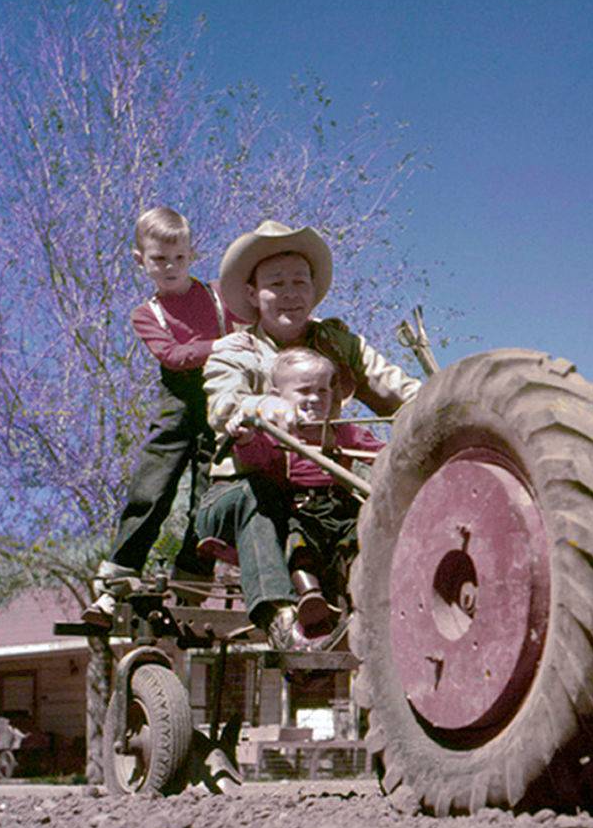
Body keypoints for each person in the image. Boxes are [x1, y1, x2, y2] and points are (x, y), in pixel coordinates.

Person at [196, 220, 421, 652]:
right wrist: (263, 407)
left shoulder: (337, 342)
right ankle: (280, 618)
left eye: (300, 281)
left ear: (314, 289)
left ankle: (385, 607)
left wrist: (448, 404)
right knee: (255, 496)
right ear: (251, 295)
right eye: (275, 283)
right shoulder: (233, 351)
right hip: (241, 493)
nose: (290, 293)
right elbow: (224, 401)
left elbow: (396, 388)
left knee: (377, 492)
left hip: (317, 491)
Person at [82, 206, 236, 628]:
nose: (169, 267)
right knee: (153, 484)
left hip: (223, 396)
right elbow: (172, 355)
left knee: (212, 486)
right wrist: (225, 345)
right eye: (158, 260)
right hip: (179, 400)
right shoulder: (146, 314)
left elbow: (254, 324)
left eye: (178, 258)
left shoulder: (222, 294)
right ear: (140, 260)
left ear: (192, 254)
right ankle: (118, 576)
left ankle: (191, 579)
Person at [232, 347, 384, 631]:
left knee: (359, 541)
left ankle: (360, 597)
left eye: (323, 391)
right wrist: (245, 440)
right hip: (300, 509)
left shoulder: (346, 432)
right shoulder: (276, 434)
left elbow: (381, 453)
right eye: (303, 391)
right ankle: (309, 595)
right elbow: (256, 458)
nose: (314, 399)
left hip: (342, 506)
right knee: (298, 544)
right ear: (278, 396)